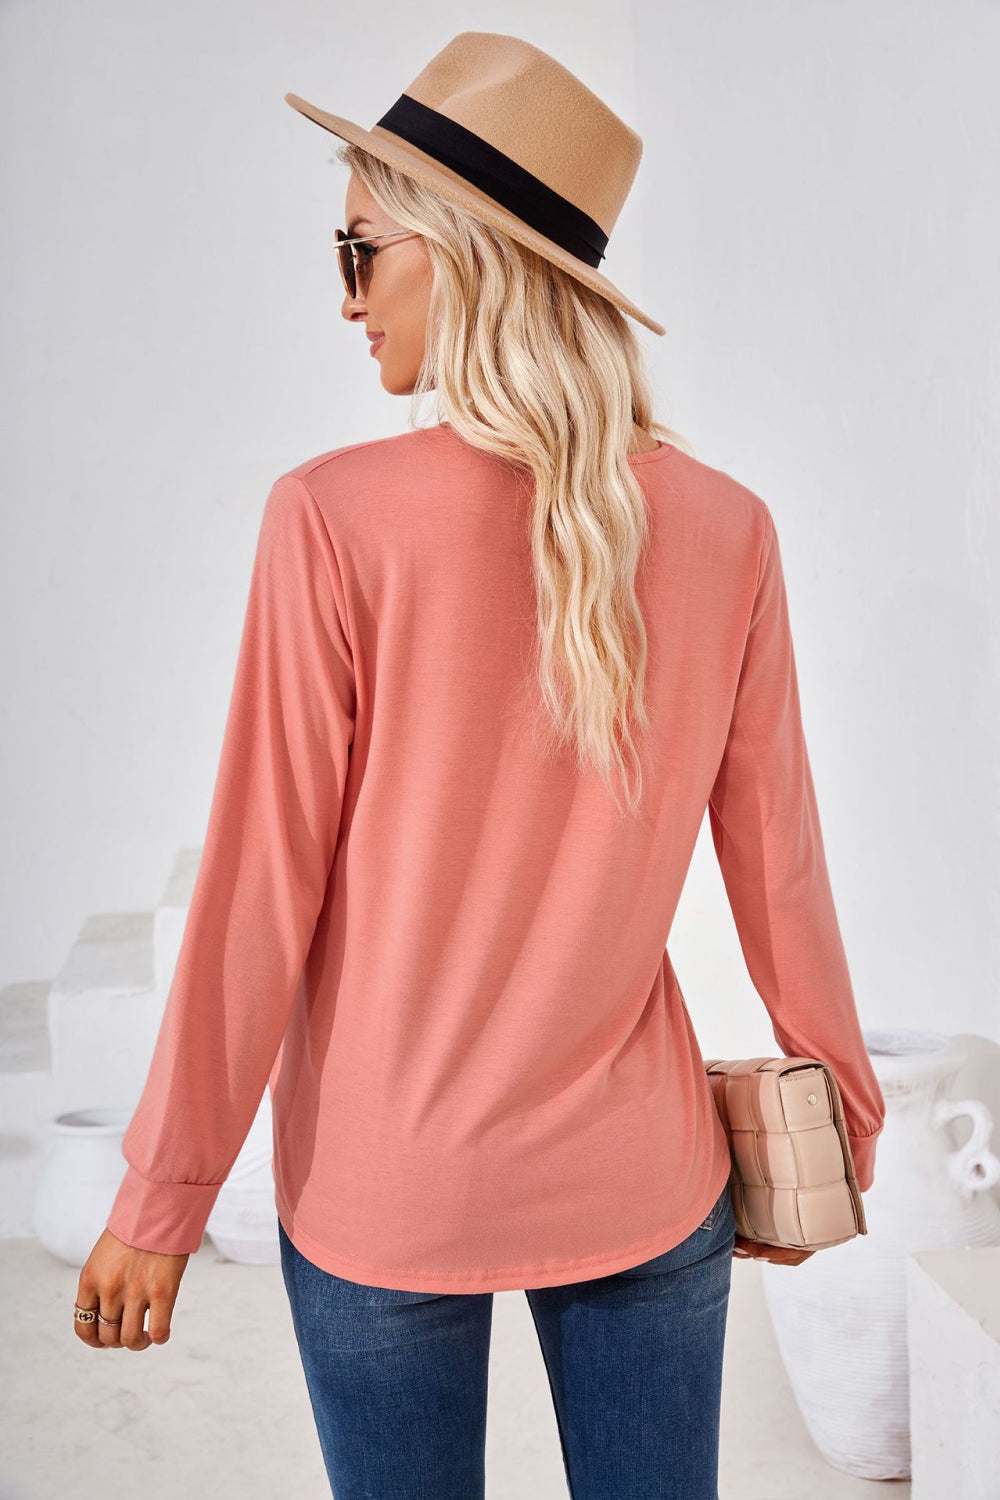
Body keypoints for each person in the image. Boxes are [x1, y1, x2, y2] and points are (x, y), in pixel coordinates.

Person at [73, 32, 885, 1500]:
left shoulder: (332, 519)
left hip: (387, 1188)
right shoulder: (728, 528)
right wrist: (848, 1125)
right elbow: (782, 866)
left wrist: (163, 1191)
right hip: (645, 1177)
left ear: (459, 254)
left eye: (360, 250)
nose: (346, 297)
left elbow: (260, 890)